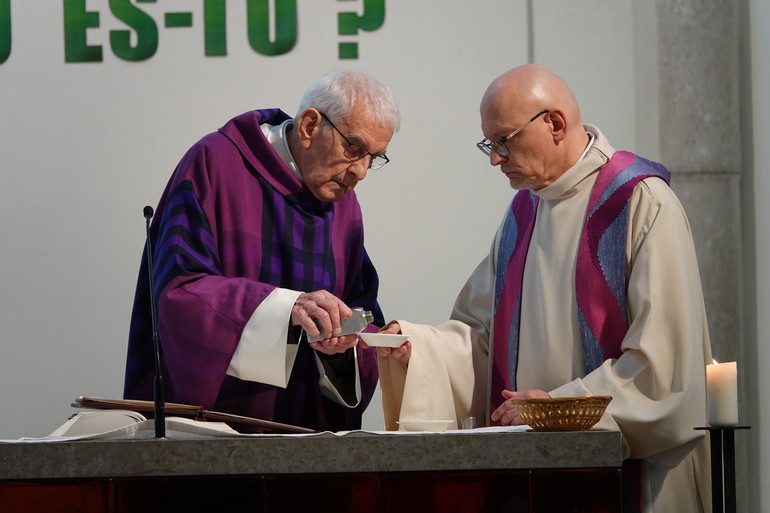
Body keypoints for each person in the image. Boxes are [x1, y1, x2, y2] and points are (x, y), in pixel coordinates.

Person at [377, 64, 711, 513]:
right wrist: (416, 346)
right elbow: (482, 338)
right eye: (488, 144)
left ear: (554, 123)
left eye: (504, 141)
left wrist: (559, 408)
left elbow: (663, 368)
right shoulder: (523, 215)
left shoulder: (640, 203)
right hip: (539, 479)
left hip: (634, 479)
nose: (495, 158)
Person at [123, 71, 400, 433]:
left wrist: (343, 345)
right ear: (309, 125)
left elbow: (362, 312)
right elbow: (179, 294)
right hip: (217, 432)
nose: (361, 172)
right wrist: (288, 308)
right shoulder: (215, 164)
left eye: (374, 157)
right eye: (355, 149)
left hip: (305, 438)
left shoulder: (344, 206)